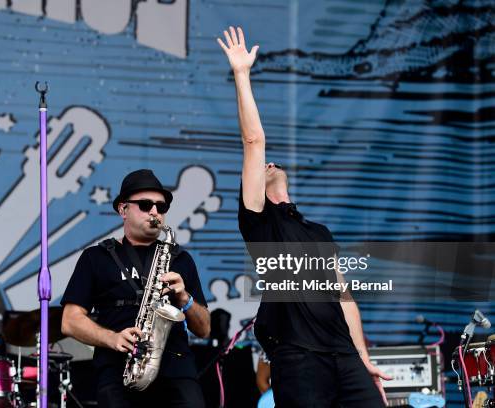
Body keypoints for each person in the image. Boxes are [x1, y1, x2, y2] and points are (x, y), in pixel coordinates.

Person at [218, 26, 391, 407]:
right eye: (262, 167)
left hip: (344, 356)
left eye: (271, 164)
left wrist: (363, 359)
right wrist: (242, 74)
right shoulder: (260, 222)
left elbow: (344, 298)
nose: (268, 164)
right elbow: (253, 141)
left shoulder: (317, 231)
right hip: (298, 356)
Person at [61, 169, 211, 408]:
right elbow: (69, 321)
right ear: (123, 209)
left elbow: (204, 329)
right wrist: (113, 338)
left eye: (161, 207)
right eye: (145, 204)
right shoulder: (96, 257)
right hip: (118, 371)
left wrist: (184, 297)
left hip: (176, 368)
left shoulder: (180, 258)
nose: (155, 212)